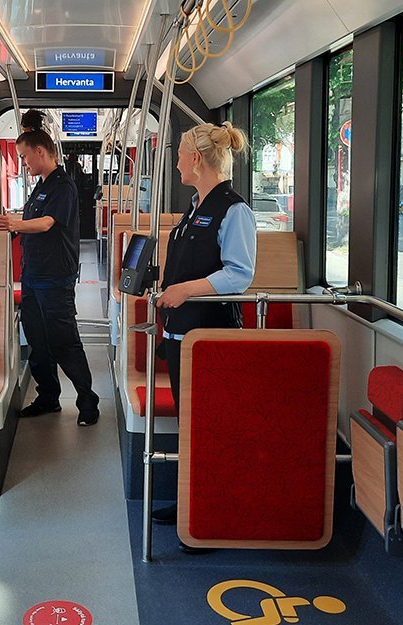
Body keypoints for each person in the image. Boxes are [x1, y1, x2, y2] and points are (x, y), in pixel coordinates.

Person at [151, 122, 257, 544]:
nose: (176, 162)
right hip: (182, 339)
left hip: (211, 341)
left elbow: (239, 274)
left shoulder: (234, 210)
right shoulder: (194, 208)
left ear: (196, 159)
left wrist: (185, 290)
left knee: (210, 429)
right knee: (191, 427)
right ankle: (191, 504)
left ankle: (211, 515)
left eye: (179, 153)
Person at [0, 127, 100, 426]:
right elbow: (32, 221)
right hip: (33, 275)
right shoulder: (40, 186)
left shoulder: (62, 187)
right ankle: (49, 397)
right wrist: (15, 224)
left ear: (40, 152)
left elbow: (45, 224)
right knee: (38, 343)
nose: (24, 163)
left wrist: (16, 222)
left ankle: (87, 401)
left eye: (25, 157)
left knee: (64, 342)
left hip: (55, 277)